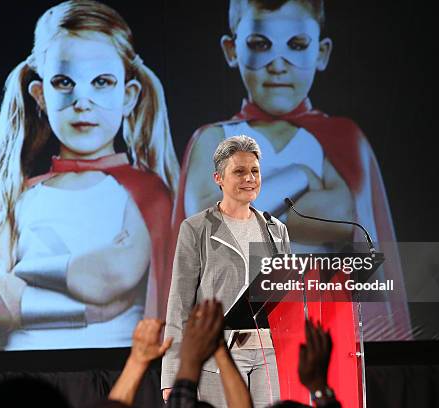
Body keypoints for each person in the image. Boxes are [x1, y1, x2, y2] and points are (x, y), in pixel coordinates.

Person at [173, 0, 411, 405]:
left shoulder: (341, 137)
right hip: (238, 331)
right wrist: (303, 177)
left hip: (317, 321)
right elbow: (212, 221)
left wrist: (253, 211)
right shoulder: (213, 137)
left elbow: (344, 216)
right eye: (261, 44)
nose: (278, 63)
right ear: (233, 50)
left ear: (321, 52)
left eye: (296, 44)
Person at [0, 0, 179, 351]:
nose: (82, 100)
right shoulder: (20, 195)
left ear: (128, 95)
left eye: (102, 82)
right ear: (40, 95)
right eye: (64, 82)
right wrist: (85, 310)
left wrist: (21, 277)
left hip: (112, 383)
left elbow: (110, 276)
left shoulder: (146, 193)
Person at [162, 136, 290, 408]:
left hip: (271, 354)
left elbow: (285, 299)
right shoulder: (197, 228)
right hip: (220, 354)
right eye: (239, 171)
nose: (250, 178)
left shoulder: (275, 229)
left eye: (255, 171)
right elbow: (179, 304)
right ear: (218, 178)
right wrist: (172, 373)